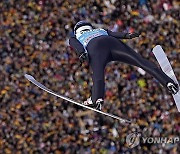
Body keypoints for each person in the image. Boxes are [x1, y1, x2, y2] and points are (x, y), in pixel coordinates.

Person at [69, 21, 179, 110]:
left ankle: (97, 98)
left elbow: (76, 45)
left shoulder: (75, 36)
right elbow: (115, 34)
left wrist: (81, 53)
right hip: (112, 42)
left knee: (98, 75)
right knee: (140, 61)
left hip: (95, 48)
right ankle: (168, 82)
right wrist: (128, 35)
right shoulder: (100, 30)